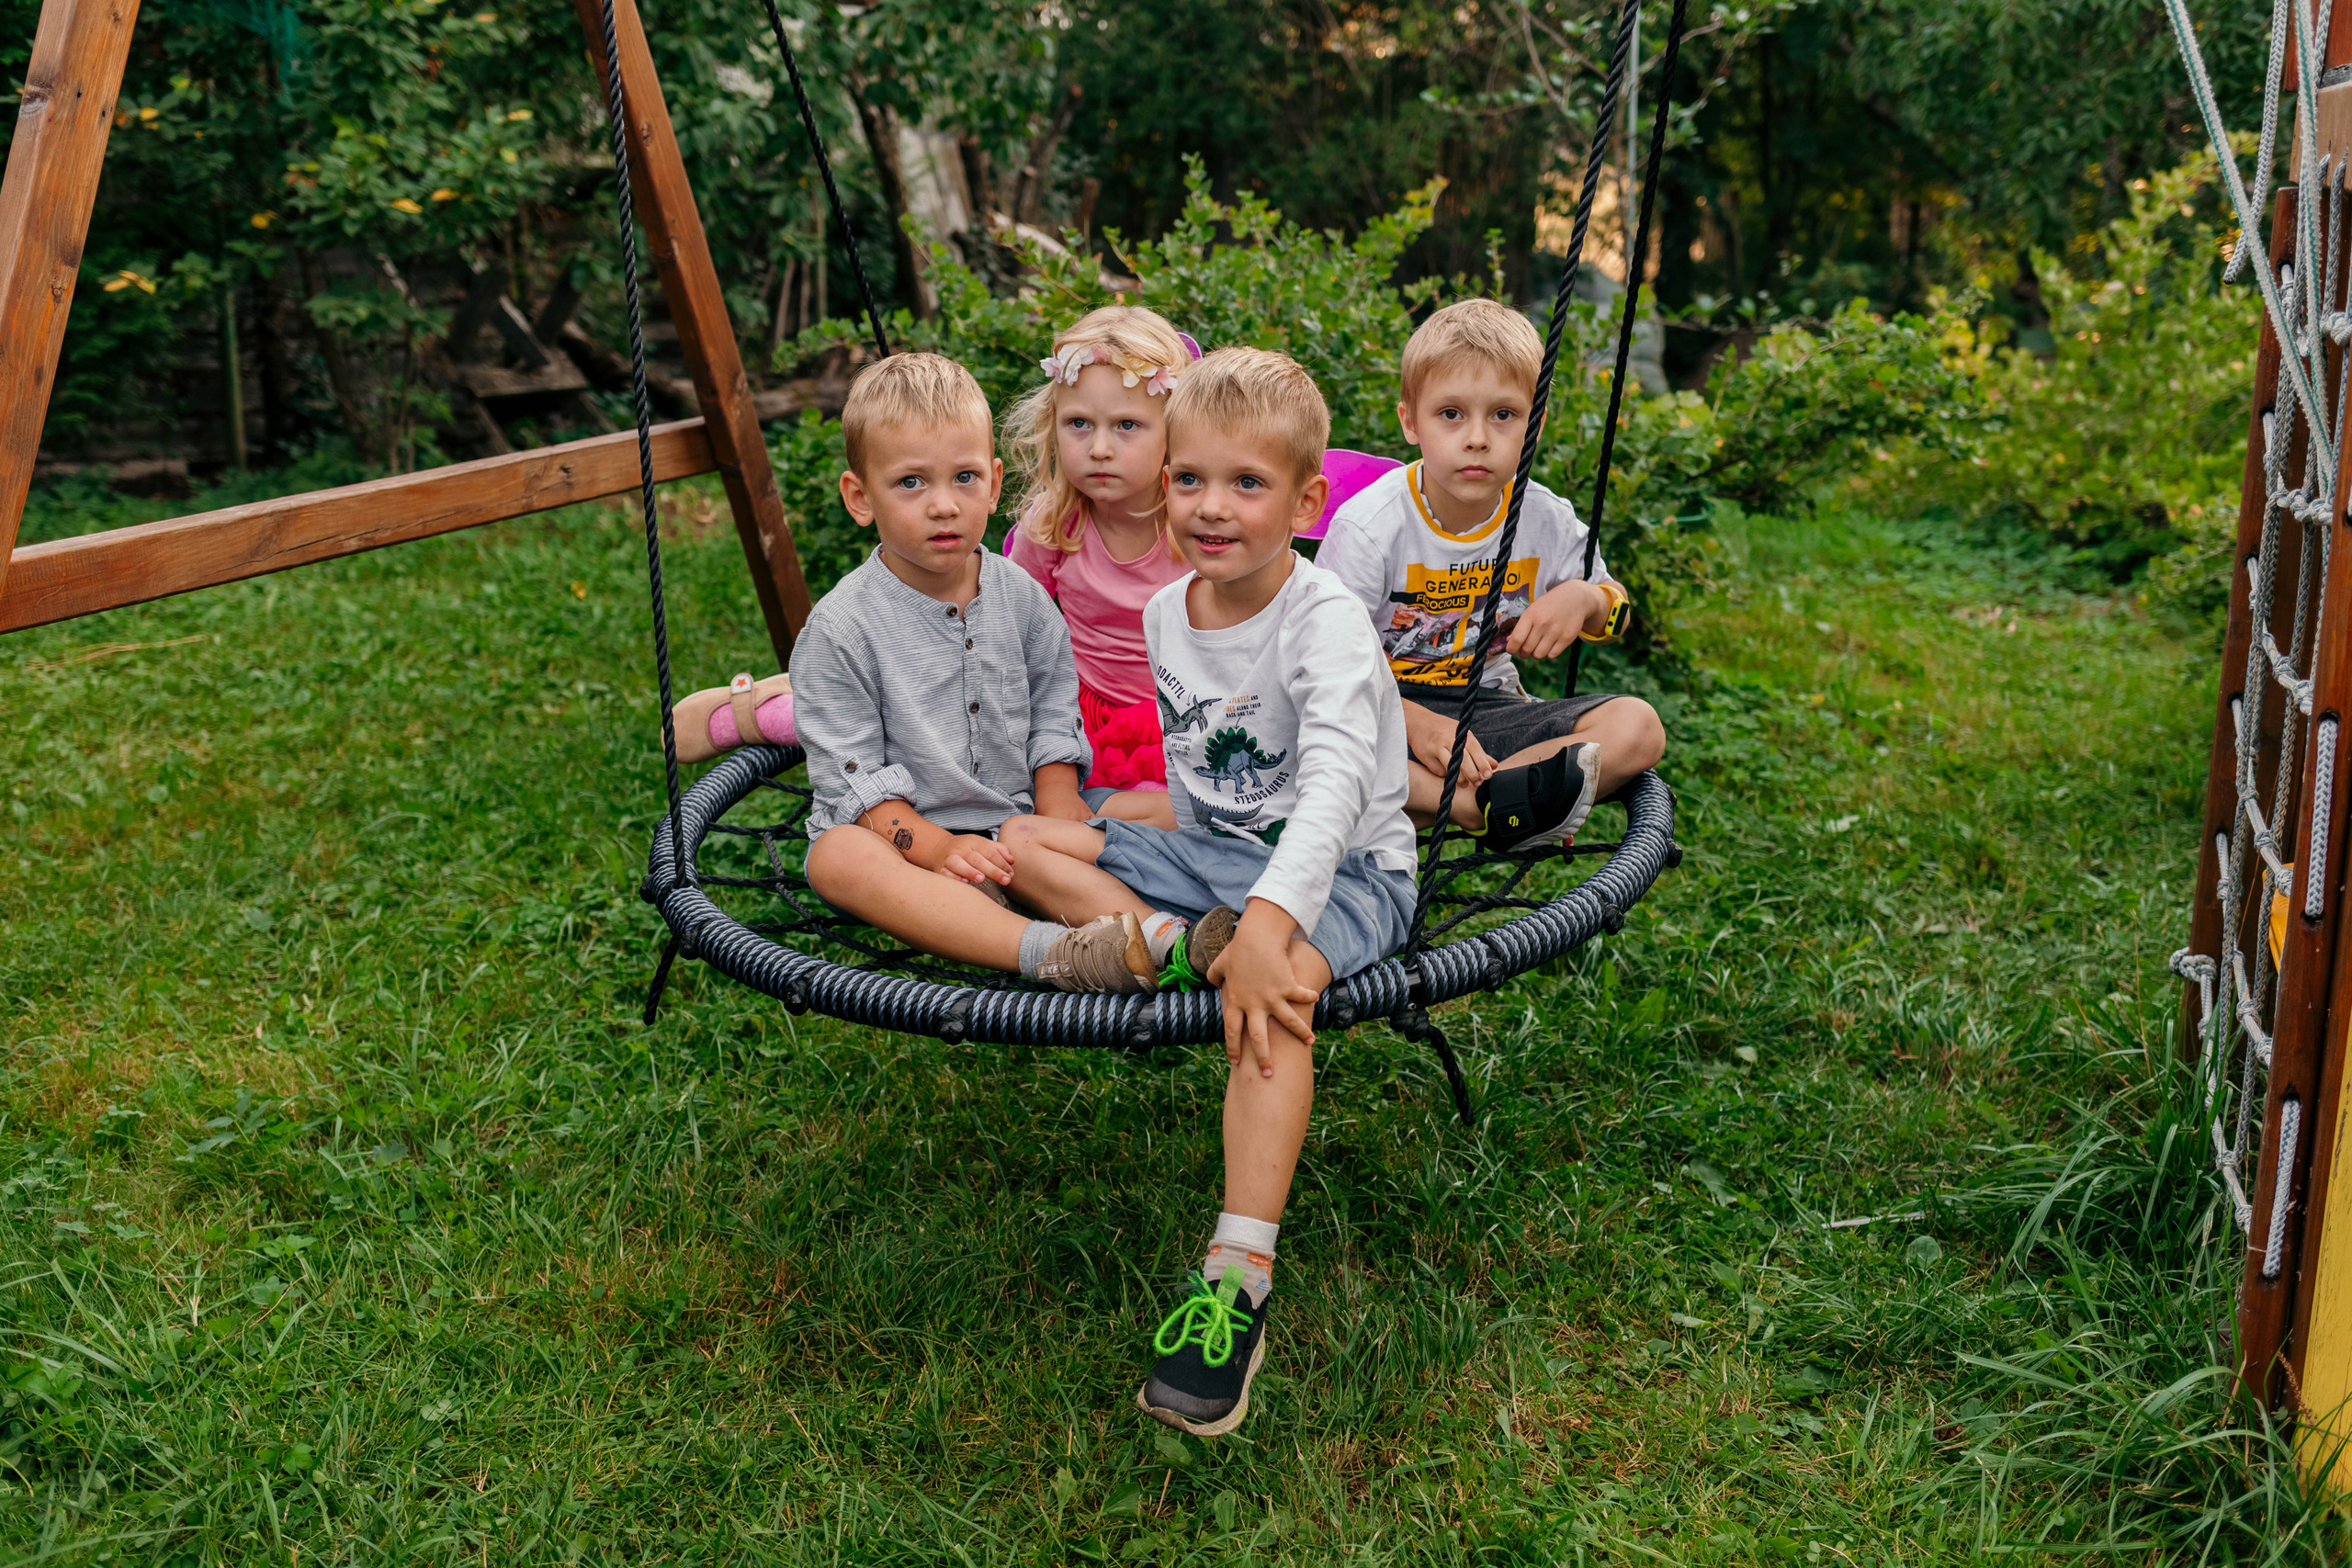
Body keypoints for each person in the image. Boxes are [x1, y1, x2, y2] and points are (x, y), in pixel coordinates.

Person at [990, 348, 1418, 1437]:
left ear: (1306, 502)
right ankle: (1189, 944)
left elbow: (1325, 790)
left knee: (1273, 1000)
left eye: (1246, 485)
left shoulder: (1322, 620)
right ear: (1161, 482)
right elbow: (1200, 782)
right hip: (1217, 863)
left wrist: (1271, 929)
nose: (1210, 510)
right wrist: (1121, 826)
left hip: (1348, 873)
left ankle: (1238, 1275)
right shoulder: (1169, 611)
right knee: (1032, 849)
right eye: (1188, 481)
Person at [776, 352, 1171, 987]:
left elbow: (1052, 703)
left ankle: (1164, 941)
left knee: (1133, 816)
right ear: (860, 496)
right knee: (836, 858)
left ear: (992, 483)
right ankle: (1054, 949)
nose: (943, 505)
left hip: (1018, 824)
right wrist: (941, 849)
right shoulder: (842, 629)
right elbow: (857, 788)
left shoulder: (1020, 596)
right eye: (911, 483)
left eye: (963, 478)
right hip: (905, 840)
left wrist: (1056, 797)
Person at [1315, 298, 1667, 849]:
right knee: (1317, 741)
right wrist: (1413, 722)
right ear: (1410, 421)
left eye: (1503, 415)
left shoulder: (1543, 517)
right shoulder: (1371, 527)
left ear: (1536, 423)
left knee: (1638, 726)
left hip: (1489, 711)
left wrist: (1584, 599)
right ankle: (1478, 806)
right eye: (1451, 414)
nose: (1477, 437)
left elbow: (1616, 610)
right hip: (1377, 709)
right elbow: (1324, 663)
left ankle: (1485, 800)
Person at [1003, 305, 1198, 795]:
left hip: (1186, 715)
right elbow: (1005, 623)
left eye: (1127, 425)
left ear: (1174, 431)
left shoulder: (1196, 526)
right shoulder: (1051, 526)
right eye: (1079, 424)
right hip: (1081, 719)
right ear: (1054, 424)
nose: (1100, 448)